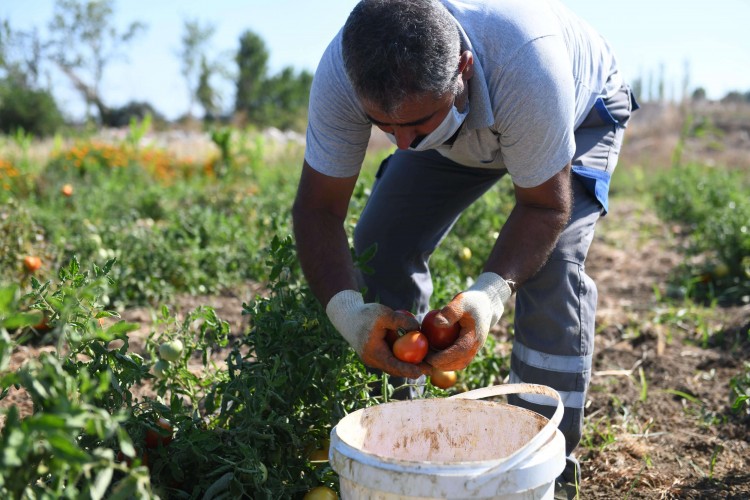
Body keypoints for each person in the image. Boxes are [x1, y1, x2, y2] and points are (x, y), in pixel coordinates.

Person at [292, 0, 638, 493]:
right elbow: (317, 211)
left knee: (552, 263)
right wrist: (348, 312)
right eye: (382, 127)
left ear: (463, 68)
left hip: (575, 112)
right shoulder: (349, 74)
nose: (401, 145)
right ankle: (398, 429)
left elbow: (544, 208)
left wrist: (489, 297)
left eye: (415, 124)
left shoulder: (527, 61)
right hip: (457, 125)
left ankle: (542, 461)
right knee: (382, 241)